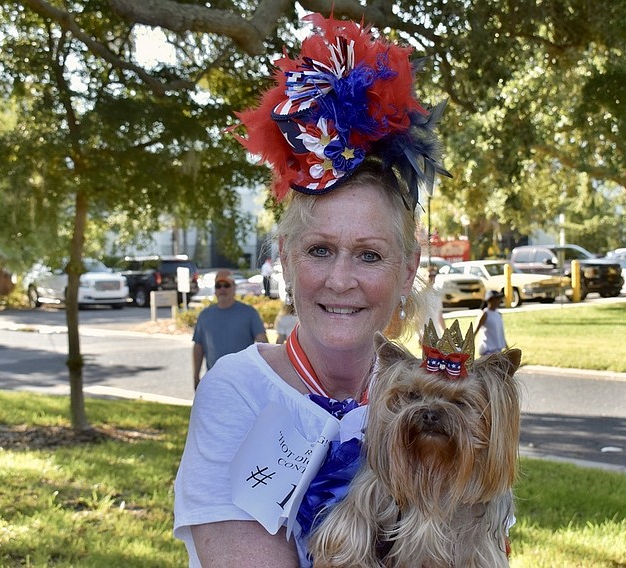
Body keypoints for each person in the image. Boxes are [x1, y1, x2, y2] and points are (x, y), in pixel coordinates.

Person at [174, 14, 449, 568]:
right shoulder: (239, 393)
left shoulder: (435, 405)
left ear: (408, 267)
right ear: (285, 256)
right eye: (320, 250)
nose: (340, 280)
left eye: (369, 254)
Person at [192, 269, 268, 389]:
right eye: (218, 286)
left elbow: (263, 344)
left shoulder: (249, 313)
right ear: (215, 290)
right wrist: (196, 375)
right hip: (215, 381)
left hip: (244, 381)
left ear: (234, 288)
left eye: (226, 285)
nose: (222, 289)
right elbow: (198, 346)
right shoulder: (205, 315)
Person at [475, 289, 507, 356]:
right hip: (488, 350)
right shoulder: (485, 314)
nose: (498, 301)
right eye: (496, 299)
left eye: (499, 299)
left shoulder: (498, 314)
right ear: (490, 300)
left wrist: (506, 346)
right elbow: (475, 330)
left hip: (498, 349)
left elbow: (500, 332)